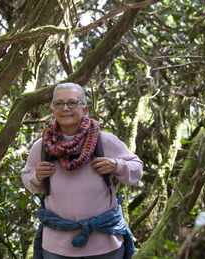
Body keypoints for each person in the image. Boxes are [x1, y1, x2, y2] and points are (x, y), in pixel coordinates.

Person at [21, 82, 143, 259]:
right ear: (53, 111)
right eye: (59, 104)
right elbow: (28, 180)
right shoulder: (42, 147)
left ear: (85, 109)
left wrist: (116, 165)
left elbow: (137, 168)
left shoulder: (104, 140)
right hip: (56, 247)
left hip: (105, 244)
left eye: (72, 103)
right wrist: (37, 176)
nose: (65, 108)